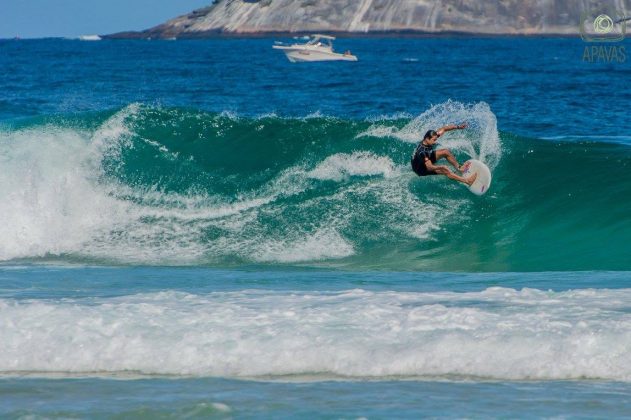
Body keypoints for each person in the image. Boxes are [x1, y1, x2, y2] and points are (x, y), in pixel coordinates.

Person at [410, 123, 477, 186]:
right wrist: (440, 167)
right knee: (445, 170)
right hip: (420, 169)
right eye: (434, 140)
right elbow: (429, 167)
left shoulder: (430, 138)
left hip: (424, 159)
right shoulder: (423, 152)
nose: (434, 142)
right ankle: (467, 181)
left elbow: (444, 129)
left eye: (435, 139)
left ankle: (459, 168)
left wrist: (459, 127)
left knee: (445, 152)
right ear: (427, 139)